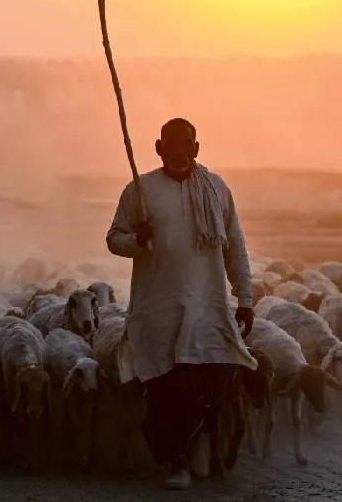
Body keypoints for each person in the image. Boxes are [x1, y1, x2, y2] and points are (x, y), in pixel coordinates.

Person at [105, 117, 257, 491]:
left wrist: (245, 299)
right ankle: (177, 462)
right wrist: (137, 240)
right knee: (166, 389)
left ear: (196, 148)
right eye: (170, 145)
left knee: (217, 372)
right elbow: (114, 239)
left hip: (208, 305)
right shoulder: (140, 191)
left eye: (185, 144)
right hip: (159, 308)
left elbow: (235, 247)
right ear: (159, 149)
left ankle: (195, 438)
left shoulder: (217, 189)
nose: (178, 152)